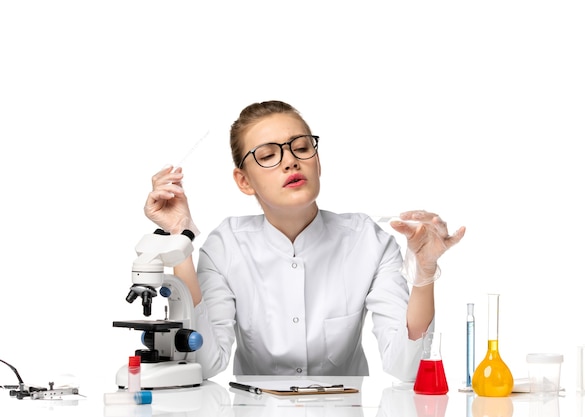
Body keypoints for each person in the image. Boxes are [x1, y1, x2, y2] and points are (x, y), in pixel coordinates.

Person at [144, 100, 465, 381]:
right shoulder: (227, 246)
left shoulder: (369, 241)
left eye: (301, 147)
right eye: (268, 154)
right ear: (244, 181)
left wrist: (424, 273)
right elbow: (206, 362)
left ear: (318, 160)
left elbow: (406, 368)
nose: (290, 161)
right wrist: (179, 237)